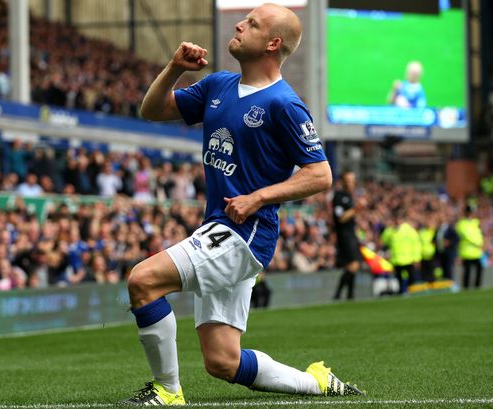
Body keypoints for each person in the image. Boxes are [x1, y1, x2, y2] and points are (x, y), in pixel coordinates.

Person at [120, 3, 364, 406]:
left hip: (245, 233)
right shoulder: (217, 85)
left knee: (143, 280)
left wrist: (259, 196)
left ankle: (167, 392)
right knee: (223, 362)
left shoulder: (284, 104)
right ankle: (317, 383)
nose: (239, 24)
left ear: (272, 43)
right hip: (218, 227)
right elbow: (151, 110)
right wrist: (174, 67)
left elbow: (320, 174)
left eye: (251, 23)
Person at [333, 169, 362, 300]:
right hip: (344, 235)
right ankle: (339, 295)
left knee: (353, 266)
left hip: (350, 234)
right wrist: (357, 209)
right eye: (349, 181)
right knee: (353, 265)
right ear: (343, 182)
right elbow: (341, 218)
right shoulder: (339, 197)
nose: (352, 183)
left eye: (353, 181)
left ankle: (349, 295)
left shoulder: (349, 196)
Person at [455, 205, 484, 289]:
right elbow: (466, 235)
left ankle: (477, 287)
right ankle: (466, 288)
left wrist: (481, 243)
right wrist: (478, 243)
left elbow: (479, 233)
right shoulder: (461, 223)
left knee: (479, 269)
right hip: (466, 252)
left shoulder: (474, 222)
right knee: (467, 271)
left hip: (476, 252)